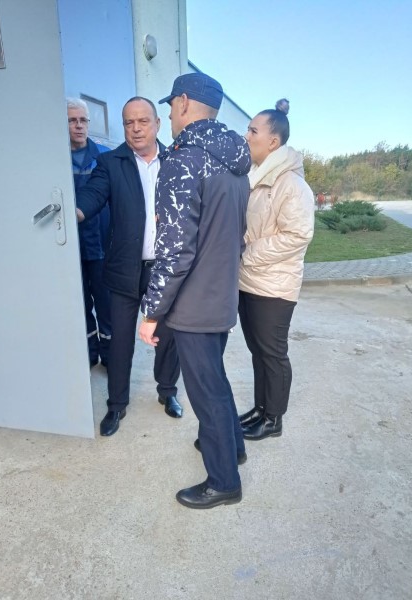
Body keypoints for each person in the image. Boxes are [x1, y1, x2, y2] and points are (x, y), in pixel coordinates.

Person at [138, 73, 251, 509]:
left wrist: (151, 312)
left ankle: (223, 481)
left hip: (194, 303)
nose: (168, 115)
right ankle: (232, 447)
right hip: (221, 295)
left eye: (170, 106)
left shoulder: (184, 159)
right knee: (214, 379)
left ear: (184, 102)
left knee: (206, 391)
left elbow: (174, 250)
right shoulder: (234, 161)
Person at [76, 97, 182, 437]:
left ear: (157, 124)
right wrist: (74, 212)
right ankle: (116, 404)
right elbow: (93, 195)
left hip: (165, 269)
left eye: (142, 121)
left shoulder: (176, 160)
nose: (135, 129)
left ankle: (167, 391)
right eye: (128, 123)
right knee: (120, 341)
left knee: (168, 336)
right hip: (124, 269)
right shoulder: (110, 162)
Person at [238, 99, 314, 441]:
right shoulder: (259, 178)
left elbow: (297, 235)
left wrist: (247, 253)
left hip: (274, 286)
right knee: (259, 353)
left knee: (272, 354)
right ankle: (261, 409)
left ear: (273, 141)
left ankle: (274, 419)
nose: (246, 135)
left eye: (252, 130)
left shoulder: (290, 184)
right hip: (250, 280)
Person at [67, 98, 112, 368]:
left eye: (83, 120)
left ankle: (110, 356)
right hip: (70, 248)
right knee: (80, 303)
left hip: (101, 246)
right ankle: (89, 354)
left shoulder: (104, 157)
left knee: (106, 304)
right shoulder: (55, 160)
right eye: (72, 120)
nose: (79, 125)